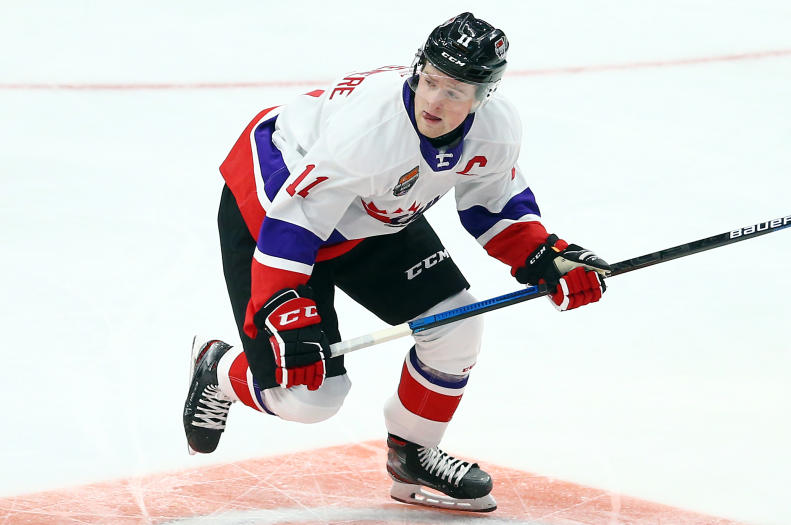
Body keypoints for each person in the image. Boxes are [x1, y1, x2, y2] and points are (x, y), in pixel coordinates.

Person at [182, 12, 611, 512]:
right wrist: (281, 305)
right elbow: (294, 222)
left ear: (483, 95)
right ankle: (219, 369)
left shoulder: (495, 132)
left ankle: (413, 453)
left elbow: (492, 207)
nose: (434, 100)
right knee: (309, 399)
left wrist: (544, 258)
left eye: (453, 91)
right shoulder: (371, 130)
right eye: (430, 81)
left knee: (457, 325)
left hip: (373, 211)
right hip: (274, 205)